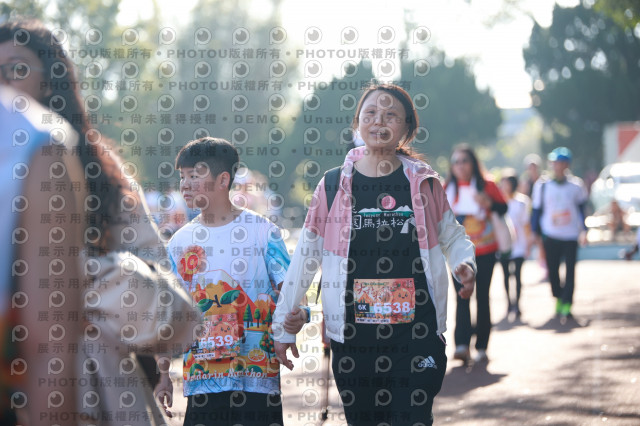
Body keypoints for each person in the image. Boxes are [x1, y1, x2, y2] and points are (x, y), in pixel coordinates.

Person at [1, 19, 200, 425]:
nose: (3, 85)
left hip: (102, 393)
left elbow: (175, 315)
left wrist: (75, 279)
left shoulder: (101, 175)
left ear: (50, 81)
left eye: (16, 69)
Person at [273, 83, 477, 426]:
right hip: (354, 340)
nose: (379, 121)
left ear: (407, 128)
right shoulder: (332, 185)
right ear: (357, 123)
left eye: (390, 115)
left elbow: (453, 235)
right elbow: (306, 256)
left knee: (412, 418)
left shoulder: (424, 183)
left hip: (416, 334)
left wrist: (464, 263)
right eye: (370, 113)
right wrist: (283, 326)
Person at [166, 137, 291, 426]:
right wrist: (162, 373)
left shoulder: (263, 232)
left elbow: (290, 291)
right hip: (204, 376)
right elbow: (169, 313)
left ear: (223, 179)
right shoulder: (179, 242)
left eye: (194, 176)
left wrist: (294, 320)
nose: (185, 185)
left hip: (257, 376)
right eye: (182, 177)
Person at [445, 144, 508, 364]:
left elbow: (503, 208)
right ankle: (462, 345)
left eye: (464, 161)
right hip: (458, 253)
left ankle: (482, 346)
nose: (460, 166)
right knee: (461, 296)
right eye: (456, 162)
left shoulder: (487, 185)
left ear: (473, 163)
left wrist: (488, 203)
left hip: (486, 250)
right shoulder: (446, 188)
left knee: (482, 296)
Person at [531, 147, 588, 322]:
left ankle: (567, 304)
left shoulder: (576, 186)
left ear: (567, 165)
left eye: (562, 163)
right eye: (555, 163)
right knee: (553, 271)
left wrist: (585, 230)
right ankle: (558, 296)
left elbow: (582, 209)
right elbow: (536, 211)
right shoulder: (542, 186)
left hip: (570, 235)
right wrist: (535, 233)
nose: (558, 166)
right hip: (551, 235)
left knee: (570, 271)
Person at [499, 169, 532, 320]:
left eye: (507, 184)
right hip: (504, 245)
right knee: (506, 275)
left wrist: (528, 243)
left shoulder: (522, 202)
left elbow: (526, 224)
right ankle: (508, 303)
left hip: (519, 244)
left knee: (518, 275)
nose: (504, 187)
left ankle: (517, 304)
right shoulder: (499, 202)